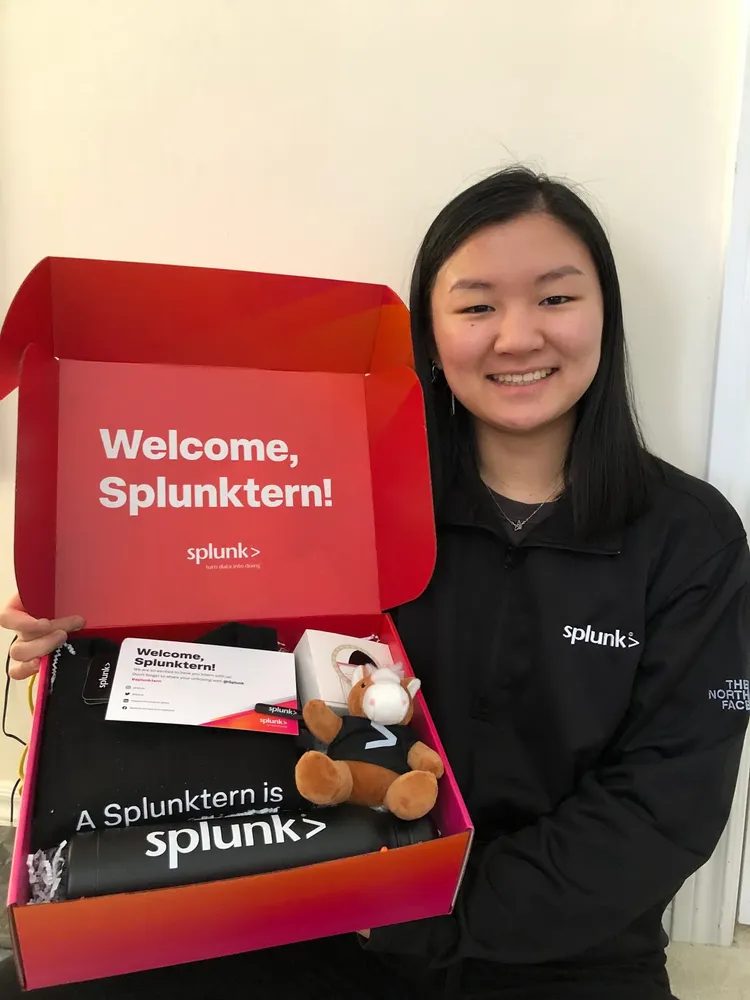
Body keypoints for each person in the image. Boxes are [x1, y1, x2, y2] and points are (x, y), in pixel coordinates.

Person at [0, 165, 748, 1000]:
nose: (517, 338)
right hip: (332, 911)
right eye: (476, 307)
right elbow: (243, 650)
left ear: (605, 311)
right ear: (430, 334)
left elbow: (664, 805)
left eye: (556, 298)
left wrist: (426, 914)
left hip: (565, 949)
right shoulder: (340, 487)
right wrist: (100, 628)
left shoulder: (690, 537)